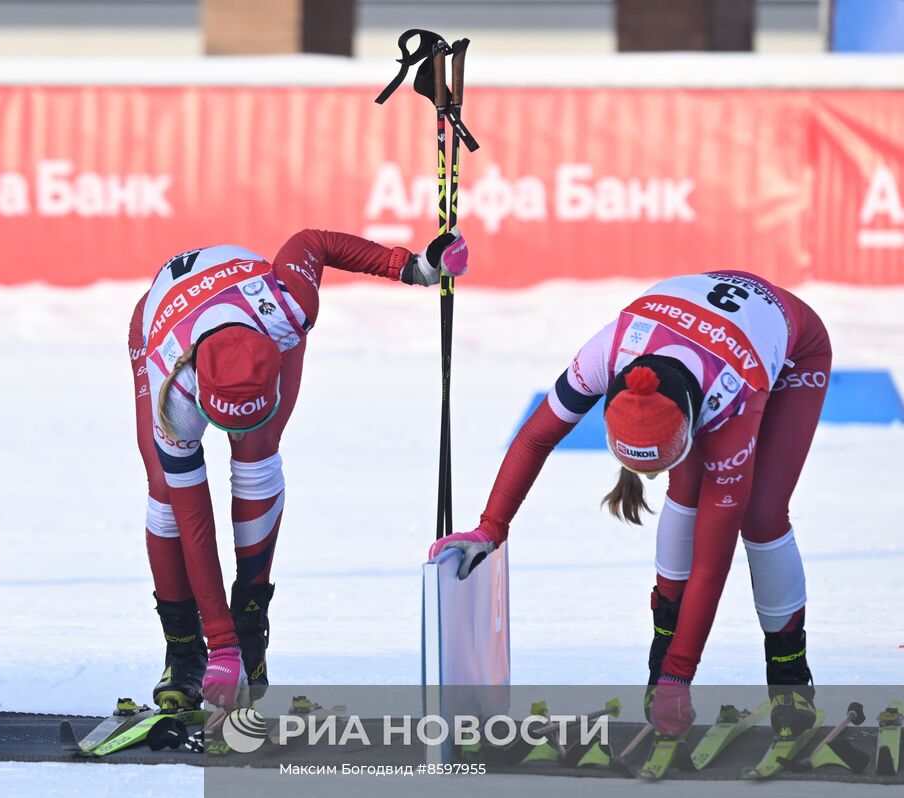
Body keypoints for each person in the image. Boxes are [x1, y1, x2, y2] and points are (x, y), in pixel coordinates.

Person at [429, 271, 831, 737]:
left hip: (785, 348)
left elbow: (711, 564)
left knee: (761, 517)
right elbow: (537, 437)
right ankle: (661, 660)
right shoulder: (605, 354)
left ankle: (789, 677)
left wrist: (679, 677)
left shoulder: (730, 404)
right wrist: (490, 527)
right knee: (684, 493)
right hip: (694, 334)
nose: (650, 478)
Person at [130, 228, 469, 710]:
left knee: (256, 461)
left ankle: (252, 630)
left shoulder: (288, 307)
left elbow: (314, 241)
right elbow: (194, 518)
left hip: (249, 308)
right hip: (166, 318)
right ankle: (183, 651)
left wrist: (415, 267)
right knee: (166, 496)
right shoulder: (176, 391)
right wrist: (216, 642)